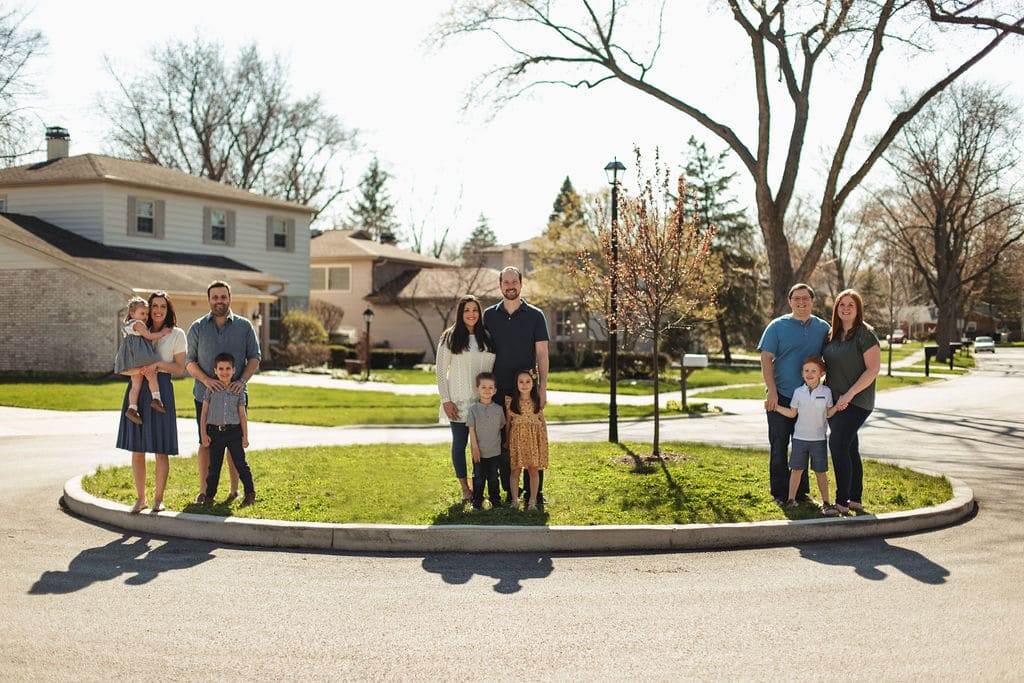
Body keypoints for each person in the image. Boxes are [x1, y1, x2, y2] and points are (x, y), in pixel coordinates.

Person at [186, 281, 261, 504]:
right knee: (205, 443)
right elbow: (190, 362)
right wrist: (207, 380)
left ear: (230, 298)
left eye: (223, 297)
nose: (219, 300)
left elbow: (254, 357)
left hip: (235, 396)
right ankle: (204, 491)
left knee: (234, 445)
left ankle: (235, 490)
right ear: (209, 300)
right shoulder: (198, 327)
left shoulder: (244, 326)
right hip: (204, 395)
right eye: (215, 297)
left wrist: (243, 380)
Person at [758, 283, 831, 506]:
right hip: (781, 396)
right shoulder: (776, 326)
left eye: (805, 298)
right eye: (796, 299)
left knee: (804, 445)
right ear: (790, 301)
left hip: (809, 400)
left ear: (812, 301)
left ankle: (800, 494)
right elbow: (766, 358)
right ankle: (780, 494)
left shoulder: (823, 328)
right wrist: (772, 390)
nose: (801, 303)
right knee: (779, 445)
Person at [115, 292, 187, 514]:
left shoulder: (176, 334)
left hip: (161, 390)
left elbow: (178, 368)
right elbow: (123, 363)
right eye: (154, 306)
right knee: (137, 448)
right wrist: (141, 370)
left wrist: (156, 365)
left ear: (168, 310)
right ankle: (141, 498)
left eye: (162, 307)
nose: (157, 310)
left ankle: (158, 499)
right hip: (138, 390)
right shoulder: (135, 331)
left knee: (160, 449)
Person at [483, 266, 549, 505]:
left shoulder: (535, 315)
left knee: (533, 440)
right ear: (500, 285)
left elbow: (542, 354)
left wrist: (542, 388)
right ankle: (510, 493)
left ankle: (536, 494)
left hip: (527, 390)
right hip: (498, 390)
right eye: (506, 282)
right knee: (504, 443)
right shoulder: (489, 315)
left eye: (514, 281)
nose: (511, 285)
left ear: (521, 284)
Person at [823, 289, 881, 514]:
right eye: (841, 304)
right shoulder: (832, 334)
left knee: (837, 444)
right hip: (835, 401)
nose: (845, 308)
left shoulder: (865, 335)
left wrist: (848, 395)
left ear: (858, 310)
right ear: (836, 308)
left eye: (851, 305)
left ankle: (841, 502)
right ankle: (855, 499)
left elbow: (873, 370)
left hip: (858, 401)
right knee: (849, 447)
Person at [436, 294, 496, 503]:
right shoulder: (449, 337)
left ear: (480, 313)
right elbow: (440, 372)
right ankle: (465, 488)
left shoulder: (487, 336)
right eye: (466, 310)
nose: (471, 314)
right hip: (458, 401)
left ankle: (478, 485)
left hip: (483, 403)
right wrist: (446, 399)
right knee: (460, 445)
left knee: (482, 447)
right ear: (460, 314)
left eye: (474, 310)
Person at [771, 356, 840, 516]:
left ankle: (826, 503)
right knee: (796, 469)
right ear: (802, 374)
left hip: (819, 440)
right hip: (799, 439)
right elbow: (792, 413)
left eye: (813, 371)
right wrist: (776, 407)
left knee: (820, 471)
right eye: (806, 371)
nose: (809, 374)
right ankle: (791, 499)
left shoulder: (826, 392)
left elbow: (828, 413)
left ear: (821, 374)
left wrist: (838, 406)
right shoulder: (798, 392)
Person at [200, 353, 257, 507]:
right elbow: (204, 413)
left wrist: (245, 436)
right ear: (215, 370)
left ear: (233, 370)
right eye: (221, 369)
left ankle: (250, 494)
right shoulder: (210, 390)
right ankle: (209, 497)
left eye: (227, 369)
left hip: (234, 433)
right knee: (214, 468)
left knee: (241, 464)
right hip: (215, 434)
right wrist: (203, 434)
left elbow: (242, 415)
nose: (224, 372)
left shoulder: (238, 391)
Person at [114, 297, 172, 425]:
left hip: (132, 358)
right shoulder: (138, 324)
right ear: (132, 313)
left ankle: (132, 408)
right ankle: (156, 399)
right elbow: (149, 336)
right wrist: (163, 333)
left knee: (136, 385)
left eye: (146, 313)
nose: (145, 316)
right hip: (141, 355)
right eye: (142, 313)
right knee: (152, 375)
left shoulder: (128, 325)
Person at [506, 369, 549, 510]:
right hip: (516, 441)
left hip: (534, 441)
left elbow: (542, 422)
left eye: (528, 381)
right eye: (521, 382)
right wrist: (507, 440)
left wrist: (544, 442)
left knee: (533, 470)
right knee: (515, 471)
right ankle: (514, 500)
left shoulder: (537, 401)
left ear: (533, 383)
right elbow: (508, 424)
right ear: (516, 383)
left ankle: (532, 501)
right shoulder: (511, 402)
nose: (524, 385)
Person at [467, 372, 505, 511]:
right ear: (477, 389)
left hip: (494, 451)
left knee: (494, 477)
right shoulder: (473, 410)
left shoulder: (499, 409)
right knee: (478, 477)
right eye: (483, 387)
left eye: (490, 387)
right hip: (478, 452)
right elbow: (471, 430)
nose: (487, 390)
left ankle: (495, 500)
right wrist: (475, 448)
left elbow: (501, 425)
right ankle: (477, 501)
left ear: (495, 390)